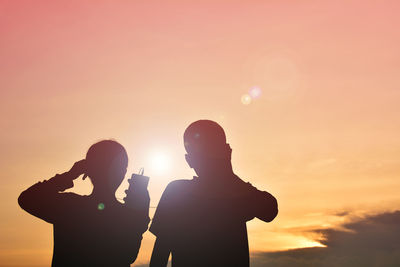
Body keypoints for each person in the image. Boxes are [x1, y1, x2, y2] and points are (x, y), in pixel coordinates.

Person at [149, 120, 278, 267]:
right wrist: (230, 176)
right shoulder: (235, 195)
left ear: (189, 160)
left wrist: (230, 177)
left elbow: (270, 211)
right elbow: (270, 210)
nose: (211, 160)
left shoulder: (178, 192)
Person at [18, 140, 150, 267]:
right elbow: (128, 255)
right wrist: (140, 212)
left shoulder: (69, 206)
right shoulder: (126, 216)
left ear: (88, 170)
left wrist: (70, 175)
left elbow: (27, 198)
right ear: (123, 173)